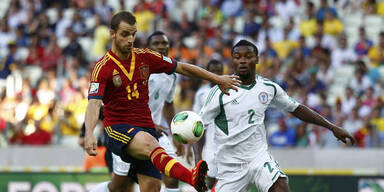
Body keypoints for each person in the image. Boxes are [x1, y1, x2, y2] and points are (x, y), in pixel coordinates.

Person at [85, 11, 240, 192]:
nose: (130, 39)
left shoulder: (145, 57)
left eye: (133, 34)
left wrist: (218, 79)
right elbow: (94, 103)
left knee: (150, 187)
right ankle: (193, 179)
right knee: (150, 147)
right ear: (112, 34)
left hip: (146, 128)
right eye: (125, 34)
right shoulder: (103, 67)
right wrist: (89, 133)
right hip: (118, 129)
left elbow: (182, 68)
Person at [200, 40, 356, 192]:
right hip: (231, 165)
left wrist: (332, 127)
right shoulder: (219, 92)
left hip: (258, 157)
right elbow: (198, 126)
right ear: (232, 60)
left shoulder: (268, 88)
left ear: (257, 59)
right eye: (237, 57)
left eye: (248, 56)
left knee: (280, 186)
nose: (242, 61)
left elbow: (297, 109)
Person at [105, 31, 186, 192]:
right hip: (128, 131)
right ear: (147, 49)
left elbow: (168, 104)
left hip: (155, 134)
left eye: (164, 43)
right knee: (120, 185)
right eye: (156, 44)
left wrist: (174, 134)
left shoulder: (172, 75)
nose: (161, 47)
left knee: (172, 178)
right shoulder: (138, 71)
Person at [193, 59, 223, 191]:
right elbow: (196, 124)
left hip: (227, 142)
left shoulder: (232, 90)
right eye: (213, 71)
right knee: (210, 180)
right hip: (210, 143)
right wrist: (197, 155)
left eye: (218, 71)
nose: (216, 74)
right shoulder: (201, 94)